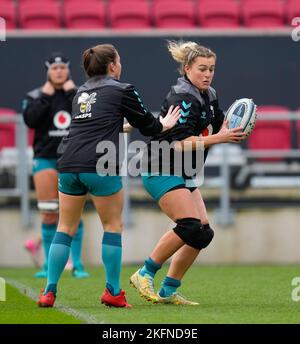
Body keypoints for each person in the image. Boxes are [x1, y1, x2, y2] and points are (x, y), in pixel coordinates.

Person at [37, 44, 181, 308]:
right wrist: (165, 125)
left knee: (65, 227)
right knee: (112, 227)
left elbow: (94, 124)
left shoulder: (80, 92)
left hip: (69, 163)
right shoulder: (122, 89)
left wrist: (121, 126)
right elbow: (149, 125)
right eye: (119, 61)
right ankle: (112, 292)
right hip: (100, 164)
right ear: (112, 65)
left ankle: (48, 291)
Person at [129, 41, 247, 305]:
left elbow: (218, 123)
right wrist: (220, 138)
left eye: (212, 69)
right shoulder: (182, 97)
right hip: (160, 167)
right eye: (202, 69)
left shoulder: (209, 93)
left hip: (183, 172)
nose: (208, 74)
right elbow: (180, 143)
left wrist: (234, 124)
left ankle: (168, 290)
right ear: (187, 69)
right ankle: (145, 272)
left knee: (202, 233)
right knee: (190, 226)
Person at [22, 52, 89, 279]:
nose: (59, 71)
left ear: (68, 70)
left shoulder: (79, 94)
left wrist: (71, 92)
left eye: (62, 67)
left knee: (73, 214)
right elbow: (30, 120)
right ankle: (48, 266)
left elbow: (86, 116)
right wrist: (44, 97)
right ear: (48, 71)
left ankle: (77, 264)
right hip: (46, 158)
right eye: (54, 68)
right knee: (49, 214)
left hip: (73, 158)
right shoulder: (36, 95)